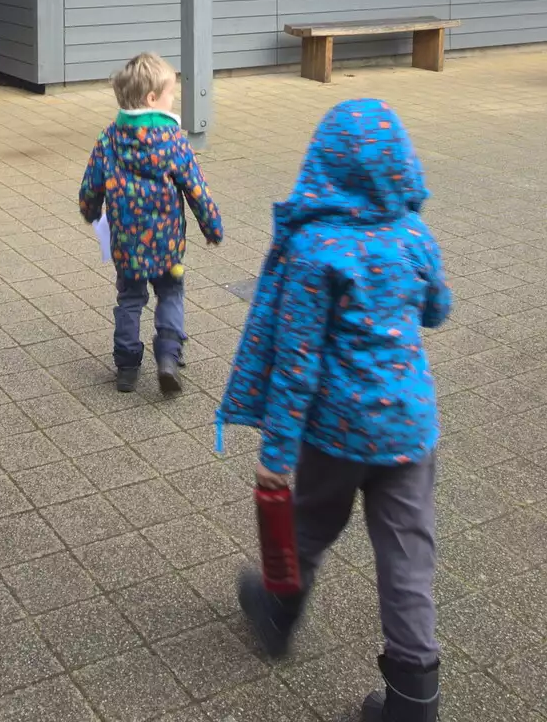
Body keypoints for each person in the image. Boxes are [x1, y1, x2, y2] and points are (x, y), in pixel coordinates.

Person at [217, 98, 451, 722]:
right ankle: (413, 700)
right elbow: (437, 310)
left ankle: (278, 611)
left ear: (321, 162)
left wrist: (274, 456)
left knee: (310, 526)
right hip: (409, 428)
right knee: (408, 556)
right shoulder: (414, 234)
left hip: (336, 433)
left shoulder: (314, 248)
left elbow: (296, 365)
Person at [79, 52, 223, 395]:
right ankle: (169, 357)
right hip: (168, 245)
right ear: (152, 99)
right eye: (171, 93)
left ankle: (127, 366)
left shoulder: (110, 138)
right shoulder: (174, 141)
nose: (175, 99)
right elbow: (196, 188)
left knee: (129, 299)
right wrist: (211, 226)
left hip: (127, 245)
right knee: (171, 294)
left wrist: (90, 209)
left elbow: (91, 184)